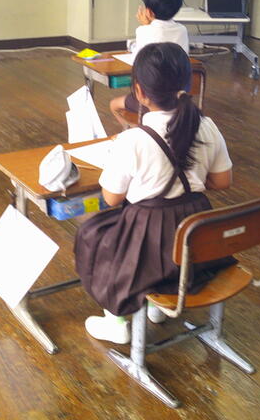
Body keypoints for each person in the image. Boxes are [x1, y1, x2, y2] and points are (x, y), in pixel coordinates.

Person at [75, 42, 233, 344]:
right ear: (187, 84)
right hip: (197, 239)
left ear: (139, 92)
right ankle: (157, 307)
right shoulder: (207, 125)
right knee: (156, 248)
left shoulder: (132, 140)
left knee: (95, 236)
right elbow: (223, 181)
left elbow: (111, 198)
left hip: (148, 235)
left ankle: (117, 321)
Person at [109, 0, 189, 129]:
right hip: (178, 97)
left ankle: (132, 132)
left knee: (113, 104)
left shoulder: (145, 31)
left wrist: (146, 27)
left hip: (151, 100)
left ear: (149, 12)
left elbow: (138, 62)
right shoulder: (182, 30)